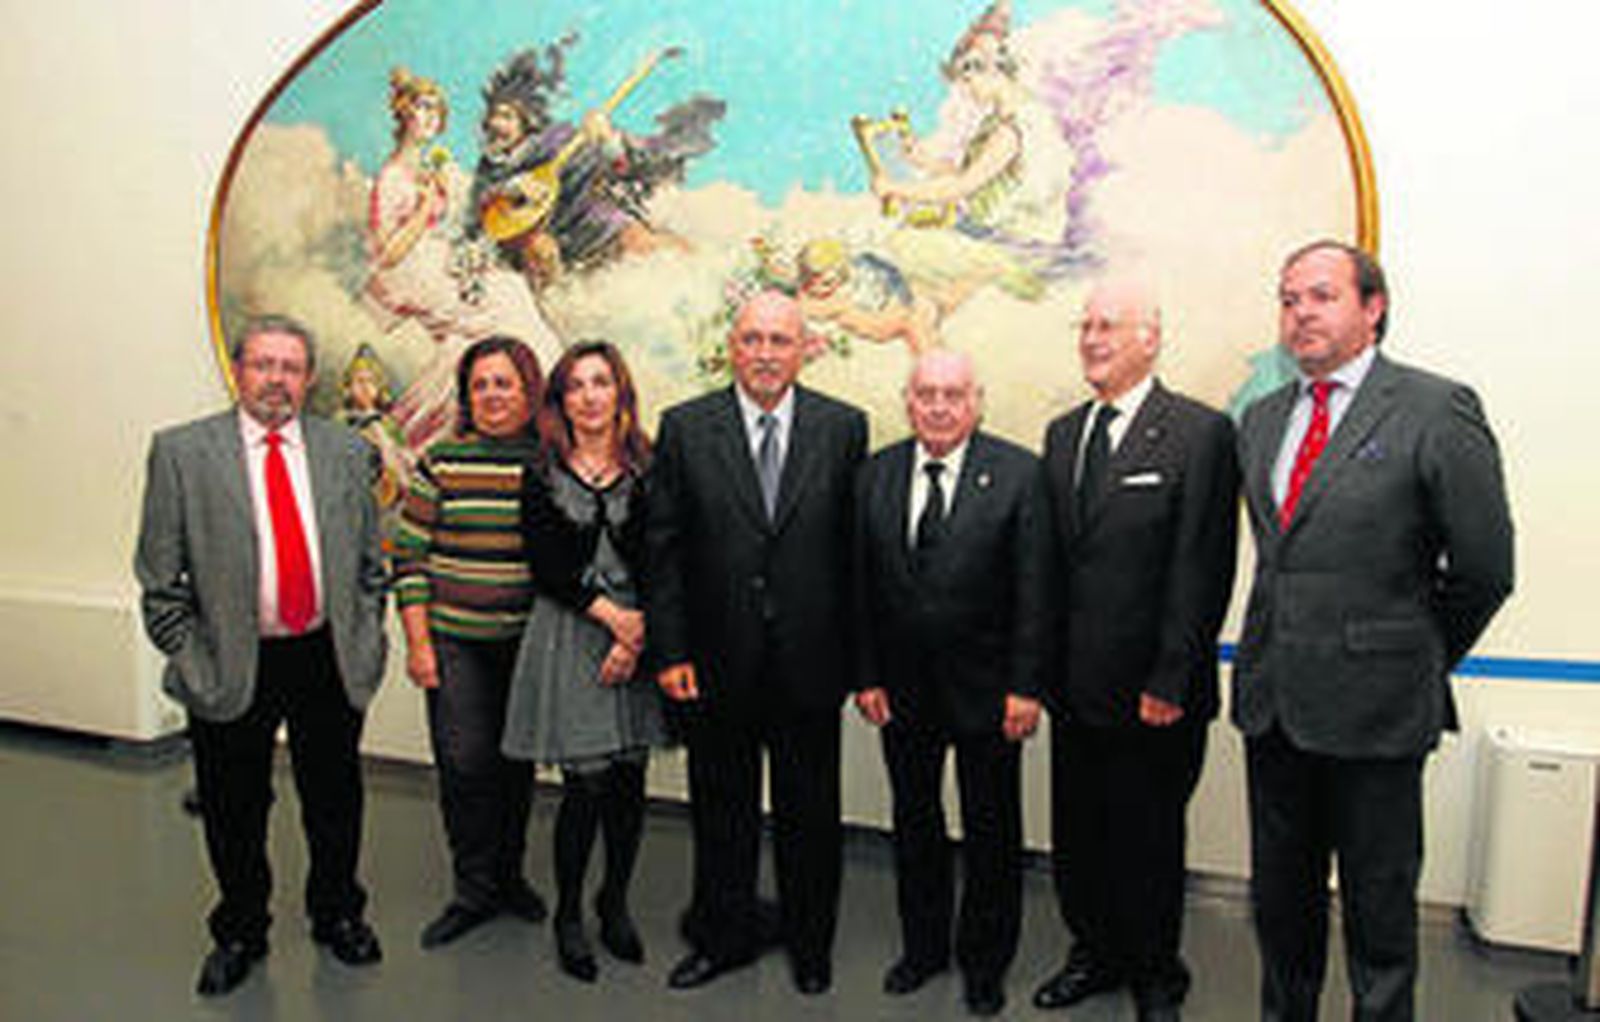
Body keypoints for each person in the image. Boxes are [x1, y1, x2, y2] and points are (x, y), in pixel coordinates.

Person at [1234, 241, 1514, 1021]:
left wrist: (1412, 656)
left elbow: (1487, 569)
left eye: (1321, 296)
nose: (1301, 314)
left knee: (1380, 922)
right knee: (1280, 911)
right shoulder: (1261, 420)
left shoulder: (1435, 406)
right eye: (1289, 299)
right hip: (1275, 709)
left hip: (1379, 715)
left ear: (1372, 306)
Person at [134, 315, 388, 996]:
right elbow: (160, 582)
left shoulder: (345, 451)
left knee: (334, 799)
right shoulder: (182, 453)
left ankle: (337, 912)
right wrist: (193, 659)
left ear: (308, 379)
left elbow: (371, 563)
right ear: (239, 370)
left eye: (291, 367)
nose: (276, 378)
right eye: (263, 364)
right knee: (232, 806)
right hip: (229, 659)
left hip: (325, 655)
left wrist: (366, 634)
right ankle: (241, 928)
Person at [645, 289, 868, 995]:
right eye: (752, 340)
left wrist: (860, 665)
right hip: (715, 663)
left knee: (811, 813)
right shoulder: (684, 428)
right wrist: (672, 651)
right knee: (722, 811)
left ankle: (811, 946)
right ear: (731, 347)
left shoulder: (843, 428)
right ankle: (723, 938)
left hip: (810, 664)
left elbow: (854, 559)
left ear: (803, 348)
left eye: (779, 340)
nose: (766, 353)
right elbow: (664, 551)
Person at [1034, 281, 1239, 1022]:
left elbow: (1203, 567)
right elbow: (1054, 566)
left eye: (1109, 326)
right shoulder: (1063, 434)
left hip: (1154, 692)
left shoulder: (1200, 433)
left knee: (1147, 840)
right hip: (1074, 688)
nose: (1092, 338)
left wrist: (1171, 676)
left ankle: (1157, 974)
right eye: (1085, 325)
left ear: (1151, 337)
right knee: (1079, 836)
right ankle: (1092, 953)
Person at [852, 350, 1049, 1017]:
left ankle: (985, 963)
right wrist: (867, 674)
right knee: (915, 824)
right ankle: (924, 949)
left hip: (991, 694)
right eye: (926, 394)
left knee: (992, 831)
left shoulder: (1020, 474)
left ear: (977, 401)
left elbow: (1035, 591)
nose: (939, 406)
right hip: (902, 692)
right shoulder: (875, 475)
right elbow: (861, 587)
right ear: (908, 401)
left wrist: (1027, 686)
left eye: (954, 394)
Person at [502, 341, 665, 983]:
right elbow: (546, 565)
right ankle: (568, 912)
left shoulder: (650, 464)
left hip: (641, 636)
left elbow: (664, 551)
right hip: (572, 632)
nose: (590, 396)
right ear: (560, 400)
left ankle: (613, 902)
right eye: (576, 386)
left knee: (629, 782)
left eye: (602, 383)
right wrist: (613, 621)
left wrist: (635, 635)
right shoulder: (540, 469)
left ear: (620, 393)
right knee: (585, 786)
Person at [392, 336, 550, 949]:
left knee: (515, 765)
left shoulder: (547, 461)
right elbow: (408, 559)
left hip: (528, 646)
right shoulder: (441, 462)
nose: (491, 395)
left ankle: (510, 879)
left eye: (503, 383)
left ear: (528, 389)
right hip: (454, 643)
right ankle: (472, 889)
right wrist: (419, 643)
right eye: (480, 384)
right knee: (463, 763)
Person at [364, 67, 561, 455]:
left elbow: (480, 200)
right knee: (508, 299)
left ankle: (431, 435)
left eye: (436, 111)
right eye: (422, 108)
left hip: (442, 262)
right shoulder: (391, 176)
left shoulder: (434, 167)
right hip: (410, 272)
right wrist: (423, 209)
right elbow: (387, 254)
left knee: (497, 311)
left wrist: (516, 190)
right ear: (403, 113)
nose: (430, 118)